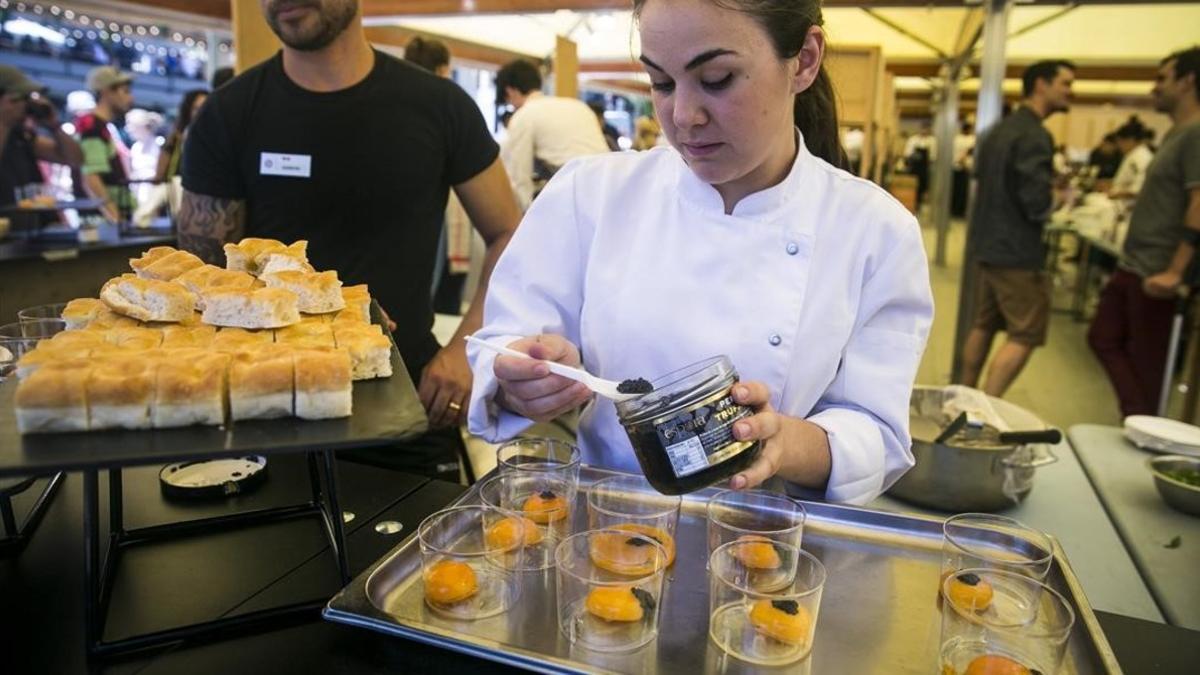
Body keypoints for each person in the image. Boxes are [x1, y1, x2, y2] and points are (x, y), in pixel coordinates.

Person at [467, 0, 933, 504]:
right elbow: (506, 341)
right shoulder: (592, 193)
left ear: (804, 60)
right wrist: (526, 380)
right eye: (662, 84)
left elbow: (876, 432)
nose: (684, 117)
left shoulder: (876, 231)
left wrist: (786, 442)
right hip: (608, 526)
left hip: (769, 542)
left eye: (716, 78)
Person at [179, 0, 521, 480]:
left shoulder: (438, 105)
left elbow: (510, 233)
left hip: (405, 397)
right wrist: (326, 318)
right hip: (268, 410)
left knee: (420, 549)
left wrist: (467, 348)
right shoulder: (230, 112)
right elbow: (203, 277)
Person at [1088, 46, 1200, 417]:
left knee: (1149, 365)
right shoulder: (1175, 135)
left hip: (1158, 269)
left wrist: (1176, 271)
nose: (1155, 88)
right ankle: (1136, 416)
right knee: (1104, 337)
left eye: (1162, 78)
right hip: (1137, 262)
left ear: (1187, 81)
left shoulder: (1195, 134)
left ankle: (1142, 423)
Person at [959, 60, 1075, 397]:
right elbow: (1036, 203)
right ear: (1041, 84)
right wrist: (1060, 196)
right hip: (1017, 251)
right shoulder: (1035, 135)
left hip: (986, 243)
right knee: (1025, 333)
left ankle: (964, 398)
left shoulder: (996, 130)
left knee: (983, 324)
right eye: (1065, 83)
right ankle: (988, 409)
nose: (1071, 91)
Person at [402, 35, 471, 316]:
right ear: (443, 68)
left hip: (404, 215)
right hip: (445, 209)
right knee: (442, 291)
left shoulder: (394, 99)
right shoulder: (448, 103)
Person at [495, 59, 609, 209]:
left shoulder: (524, 115)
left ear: (510, 91)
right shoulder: (578, 106)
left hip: (577, 193)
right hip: (608, 185)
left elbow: (519, 179)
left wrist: (525, 217)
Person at [0, 65, 83, 208]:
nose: (26, 105)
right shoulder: (9, 130)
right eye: (22, 98)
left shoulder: (20, 136)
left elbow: (75, 160)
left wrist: (54, 126)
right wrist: (4, 121)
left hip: (30, 224)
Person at [76, 66, 135, 222]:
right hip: (105, 226)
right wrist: (114, 216)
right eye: (125, 91)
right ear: (106, 92)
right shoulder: (92, 126)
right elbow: (91, 177)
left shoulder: (100, 126)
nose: (130, 98)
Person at [156, 89, 208, 183]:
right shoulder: (175, 138)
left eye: (205, 108)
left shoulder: (217, 141)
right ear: (188, 111)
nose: (201, 113)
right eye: (196, 108)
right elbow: (159, 175)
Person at [1108, 118, 1154, 203]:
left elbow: (1138, 189)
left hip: (1127, 205)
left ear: (1130, 140)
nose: (1119, 146)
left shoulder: (1142, 157)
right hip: (1120, 202)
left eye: (1120, 142)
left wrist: (1115, 194)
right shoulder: (1133, 154)